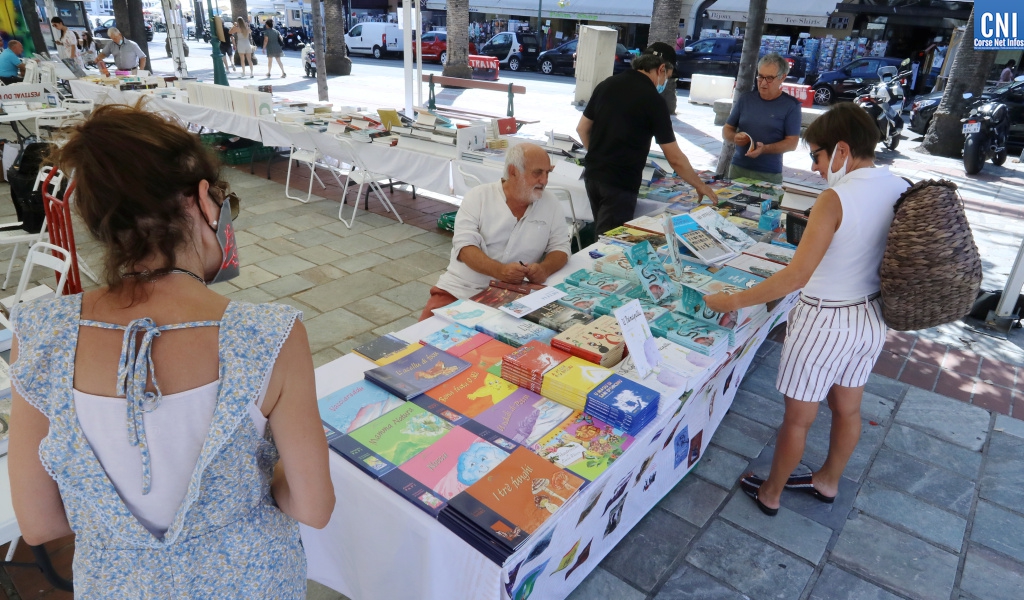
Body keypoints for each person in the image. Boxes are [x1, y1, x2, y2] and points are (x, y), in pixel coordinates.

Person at [8, 104, 335, 596]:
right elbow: (313, 506)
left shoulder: (39, 333)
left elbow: (39, 523)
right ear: (202, 201)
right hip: (252, 582)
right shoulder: (268, 335)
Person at [703, 103, 909, 516]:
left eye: (817, 155)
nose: (815, 167)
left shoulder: (835, 198)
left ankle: (771, 493)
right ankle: (828, 482)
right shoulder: (901, 184)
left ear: (842, 150)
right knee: (848, 407)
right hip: (870, 316)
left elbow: (797, 276)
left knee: (798, 417)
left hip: (824, 320)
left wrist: (733, 300)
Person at [576, 42, 717, 235]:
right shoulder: (653, 100)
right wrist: (699, 185)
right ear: (661, 69)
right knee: (609, 244)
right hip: (620, 182)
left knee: (602, 234)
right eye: (667, 76)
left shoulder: (607, 84)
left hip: (593, 175)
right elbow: (674, 157)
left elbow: (582, 128)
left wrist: (599, 155)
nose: (665, 82)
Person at [419, 143, 571, 320]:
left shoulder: (550, 203)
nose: (544, 181)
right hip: (461, 290)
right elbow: (465, 247)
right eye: (537, 173)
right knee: (419, 341)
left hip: (516, 295)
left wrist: (545, 269)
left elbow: (561, 247)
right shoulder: (479, 196)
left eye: (547, 173)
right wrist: (500, 271)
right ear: (513, 171)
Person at [722, 53, 802, 184]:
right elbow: (727, 130)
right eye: (760, 76)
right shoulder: (746, 99)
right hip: (738, 168)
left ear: (782, 78)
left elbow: (792, 143)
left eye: (770, 78)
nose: (763, 83)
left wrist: (765, 149)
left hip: (768, 173)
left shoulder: (791, 105)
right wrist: (734, 137)